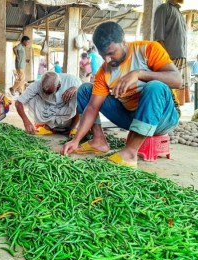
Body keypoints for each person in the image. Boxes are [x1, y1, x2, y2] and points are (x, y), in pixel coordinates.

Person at [61, 22, 182, 168]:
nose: (107, 59)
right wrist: (76, 140)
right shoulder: (103, 72)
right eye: (103, 55)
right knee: (86, 89)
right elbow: (92, 108)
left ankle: (130, 153)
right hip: (131, 118)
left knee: (154, 87)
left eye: (111, 53)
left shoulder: (148, 49)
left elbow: (177, 80)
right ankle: (98, 141)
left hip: (163, 117)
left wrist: (139, 74)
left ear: (124, 42)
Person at [16, 71, 81, 135]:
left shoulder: (71, 80)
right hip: (49, 108)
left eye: (49, 92)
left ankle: (74, 127)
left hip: (66, 107)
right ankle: (49, 127)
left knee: (78, 95)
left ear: (58, 86)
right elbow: (18, 102)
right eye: (44, 91)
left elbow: (85, 92)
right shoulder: (37, 84)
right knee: (32, 97)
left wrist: (75, 88)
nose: (46, 94)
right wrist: (26, 121)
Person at [154, 0, 188, 104]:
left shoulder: (178, 11)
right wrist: (165, 60)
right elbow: (158, 37)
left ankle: (174, 116)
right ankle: (165, 116)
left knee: (176, 92)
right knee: (168, 90)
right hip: (170, 58)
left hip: (180, 55)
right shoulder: (163, 8)